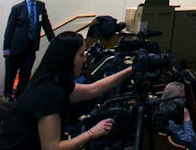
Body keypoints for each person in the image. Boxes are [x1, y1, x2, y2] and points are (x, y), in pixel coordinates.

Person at [0, 30, 132, 150]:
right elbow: (52, 148)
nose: (84, 59)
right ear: (67, 59)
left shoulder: (52, 81)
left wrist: (130, 70)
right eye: (81, 55)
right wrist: (92, 133)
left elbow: (93, 89)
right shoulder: (50, 93)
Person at [4, 0, 56, 101]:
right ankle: (7, 97)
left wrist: (53, 40)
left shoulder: (41, 6)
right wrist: (6, 48)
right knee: (11, 74)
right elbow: (9, 29)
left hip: (31, 47)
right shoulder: (17, 8)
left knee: (26, 73)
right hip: (15, 47)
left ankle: (20, 97)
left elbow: (46, 25)